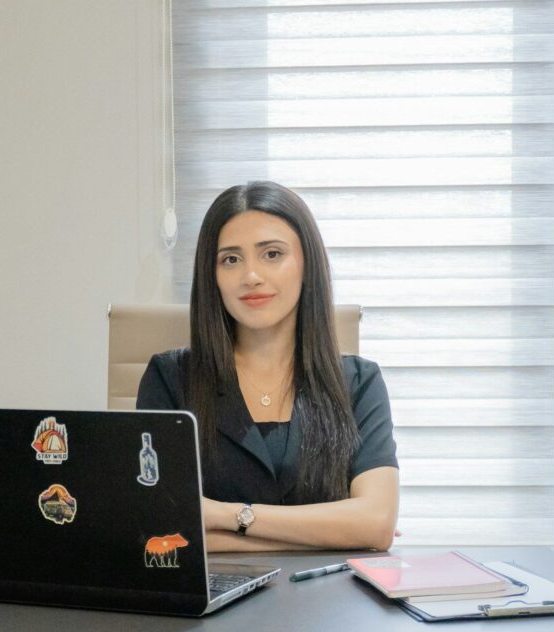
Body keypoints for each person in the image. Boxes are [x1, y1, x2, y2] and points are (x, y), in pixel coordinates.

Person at [136, 181, 399, 552]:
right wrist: (326, 534)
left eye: (272, 254)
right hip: (210, 597)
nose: (251, 276)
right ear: (212, 276)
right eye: (231, 259)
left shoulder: (358, 382)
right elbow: (159, 526)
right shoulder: (169, 379)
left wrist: (227, 517)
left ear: (307, 264)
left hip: (329, 599)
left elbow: (375, 525)